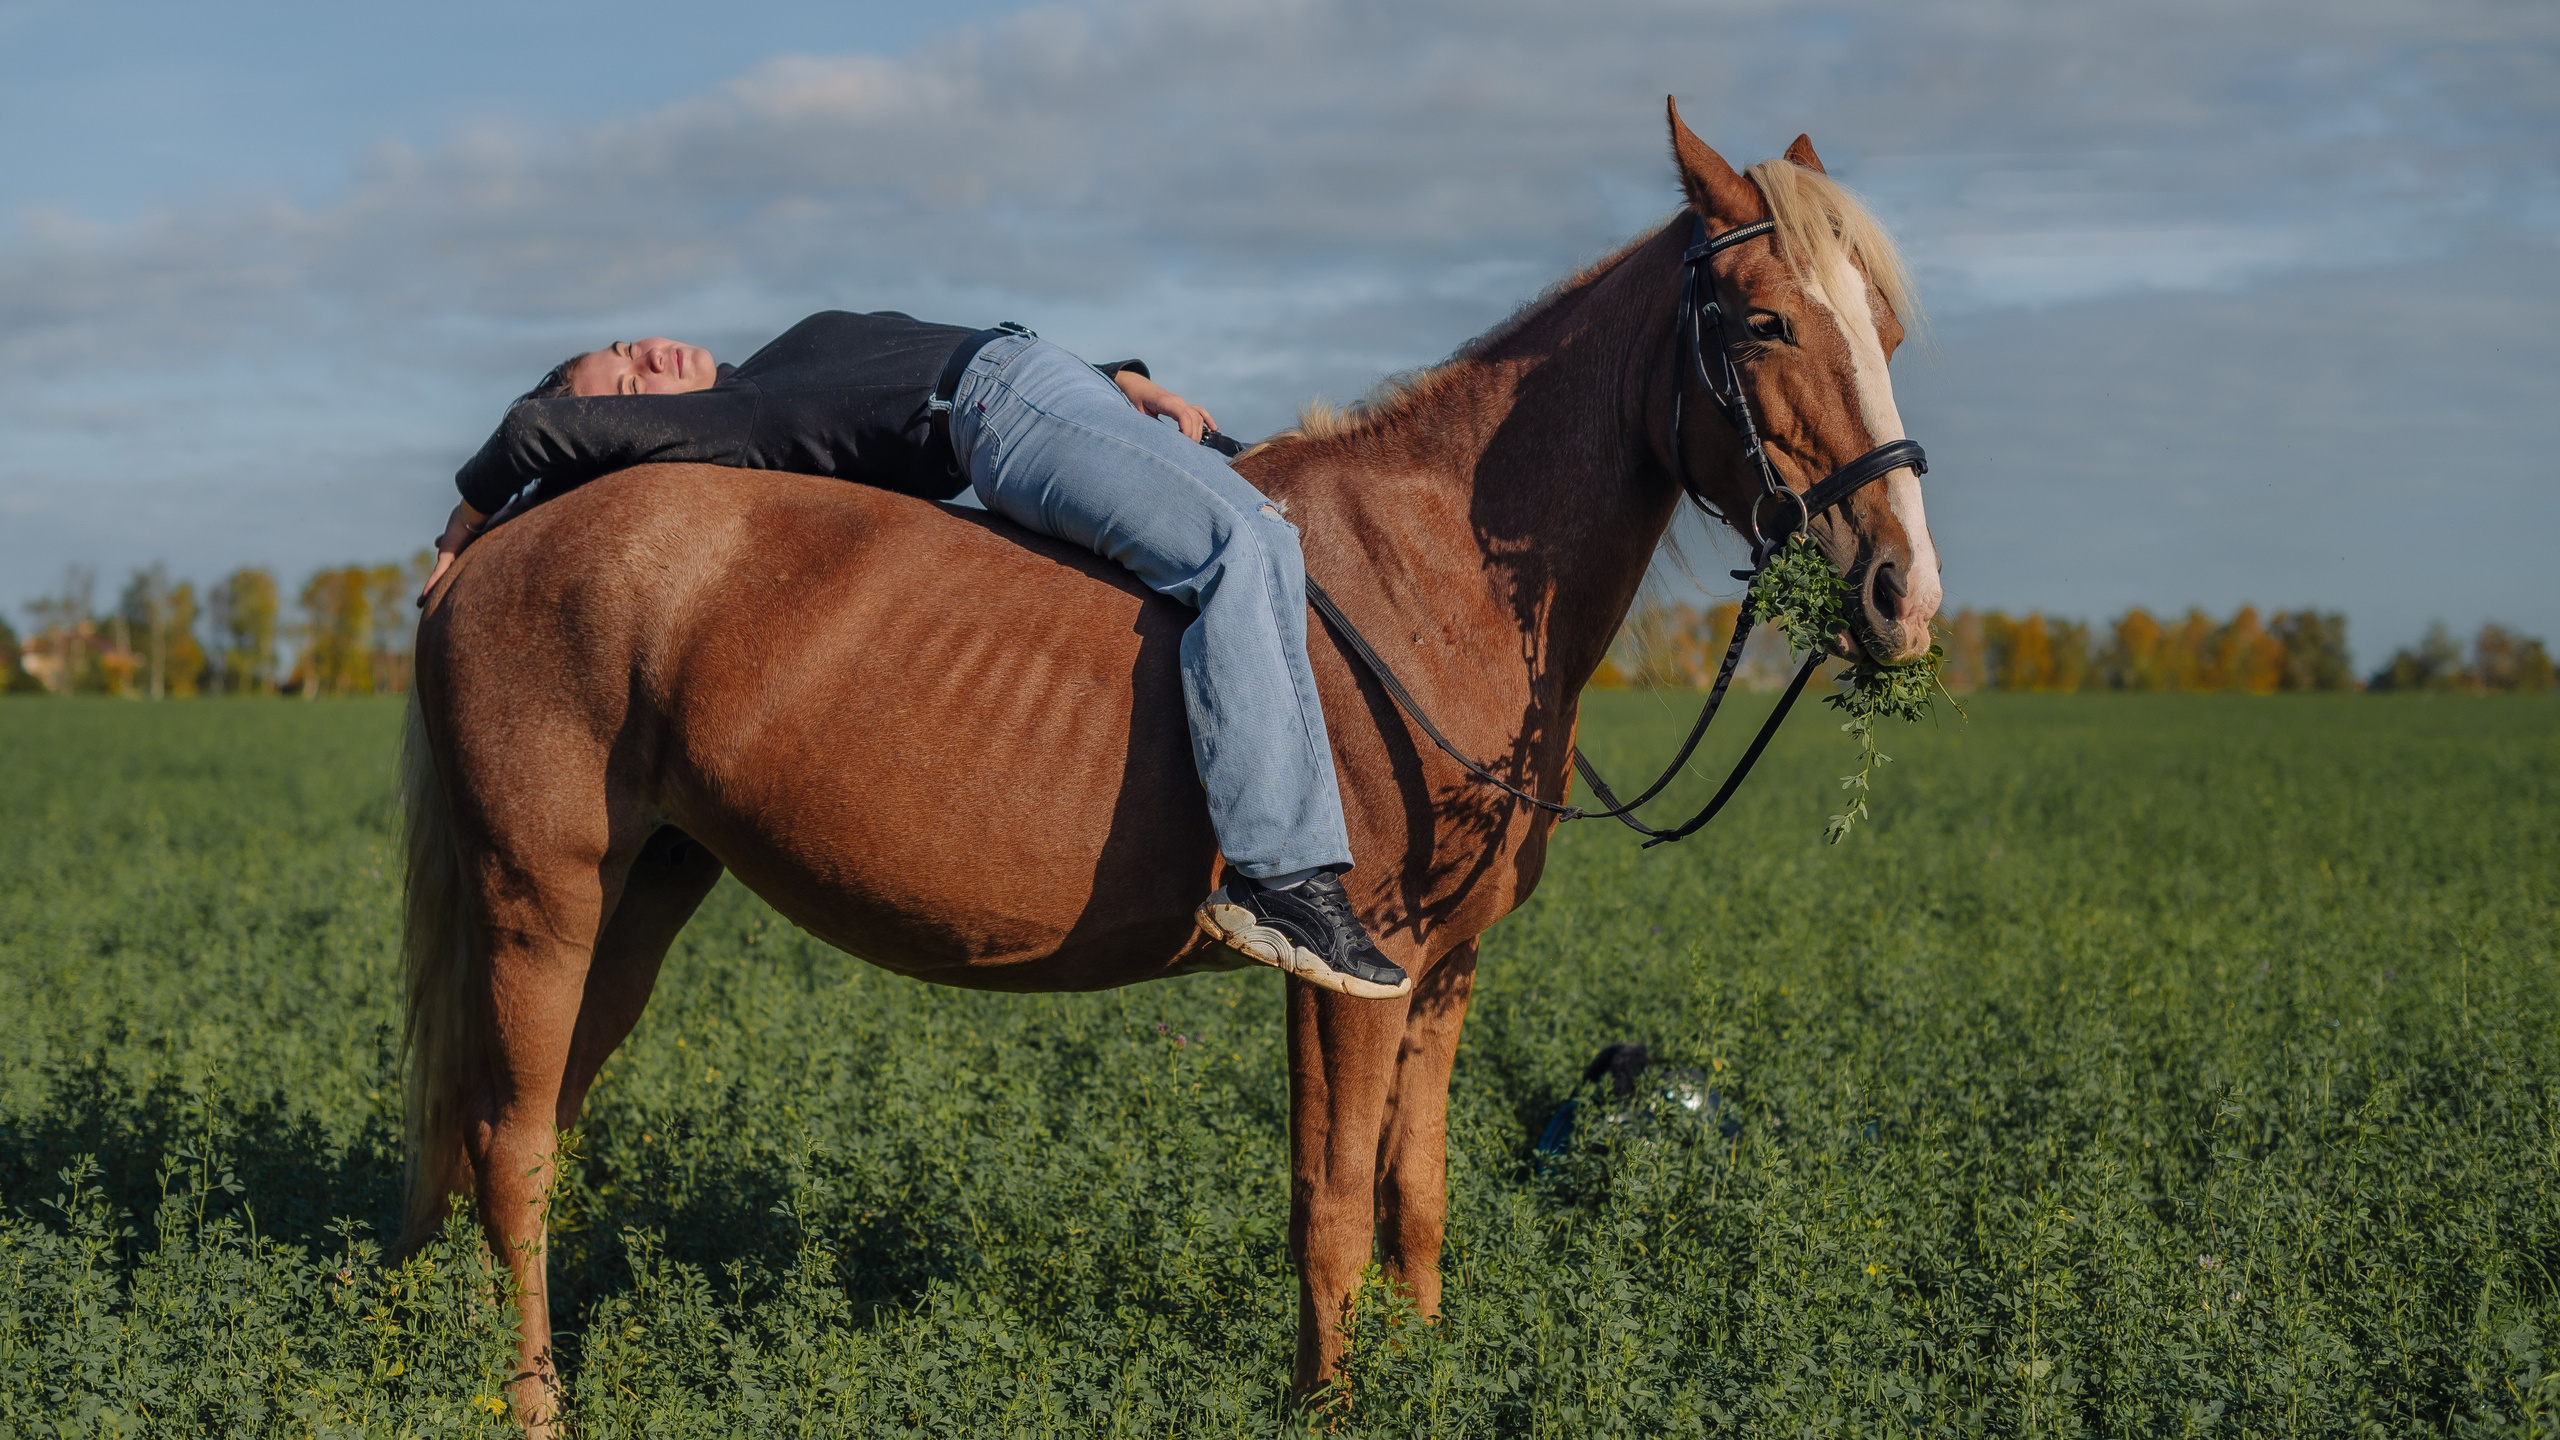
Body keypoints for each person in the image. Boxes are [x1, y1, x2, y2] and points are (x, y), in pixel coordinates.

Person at [425, 311, 1410, 1000]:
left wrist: (1114, 379)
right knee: (1242, 542)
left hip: (1044, 382)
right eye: (629, 387)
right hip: (1004, 409)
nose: (646, 357)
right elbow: (534, 430)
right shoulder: (732, 424)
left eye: (621, 347)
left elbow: (915, 351)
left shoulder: (779, 365)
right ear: (628, 428)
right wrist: (468, 520)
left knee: (1276, 534)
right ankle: (1281, 879)